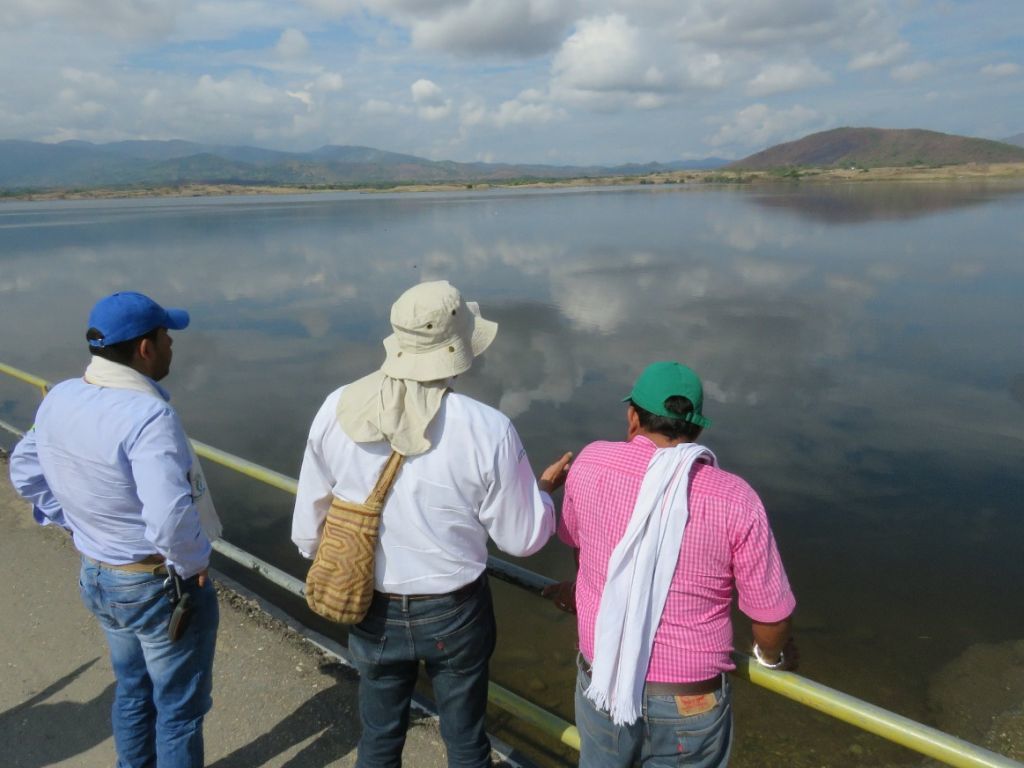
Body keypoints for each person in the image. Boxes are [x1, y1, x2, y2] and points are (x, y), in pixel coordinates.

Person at [292, 280, 571, 768]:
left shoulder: (336, 409)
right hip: (454, 612)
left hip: (367, 604)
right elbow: (522, 539)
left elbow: (306, 534)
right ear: (458, 349)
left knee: (378, 740)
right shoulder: (487, 428)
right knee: (465, 743)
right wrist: (543, 495)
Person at [544, 361, 797, 768]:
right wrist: (772, 658)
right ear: (696, 429)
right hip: (688, 701)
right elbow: (771, 618)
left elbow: (582, 549)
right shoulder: (735, 498)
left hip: (601, 682)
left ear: (632, 418)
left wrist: (581, 592)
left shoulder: (589, 464)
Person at [8, 291, 220, 768]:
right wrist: (193, 564)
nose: (171, 346)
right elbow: (169, 517)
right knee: (179, 709)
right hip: (156, 585)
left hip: (98, 574)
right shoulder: (150, 416)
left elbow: (24, 469)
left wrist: (73, 522)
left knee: (131, 688)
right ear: (145, 348)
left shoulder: (61, 394)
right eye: (166, 336)